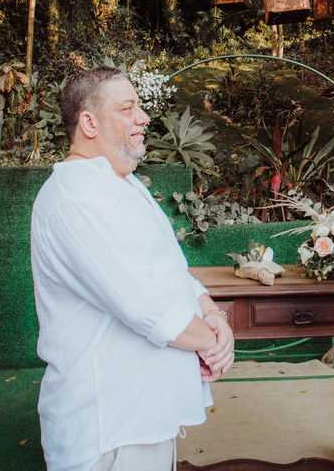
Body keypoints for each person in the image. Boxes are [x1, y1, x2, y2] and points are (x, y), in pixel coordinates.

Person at [30, 68, 234, 471]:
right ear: (88, 122)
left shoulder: (122, 183)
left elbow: (175, 274)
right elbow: (148, 307)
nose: (143, 117)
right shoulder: (77, 197)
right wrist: (212, 341)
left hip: (144, 416)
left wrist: (213, 315)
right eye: (128, 108)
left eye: (140, 106)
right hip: (108, 427)